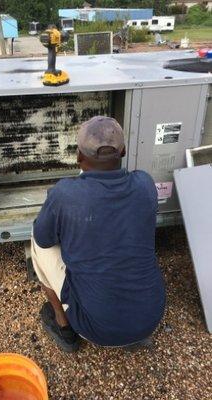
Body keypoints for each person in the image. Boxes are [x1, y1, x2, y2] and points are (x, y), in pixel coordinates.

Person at [31, 116, 165, 352]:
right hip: (150, 319)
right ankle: (129, 332)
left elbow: (44, 238)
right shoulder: (145, 184)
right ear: (122, 152)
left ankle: (64, 328)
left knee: (37, 239)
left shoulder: (65, 195)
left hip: (96, 329)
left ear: (79, 157)